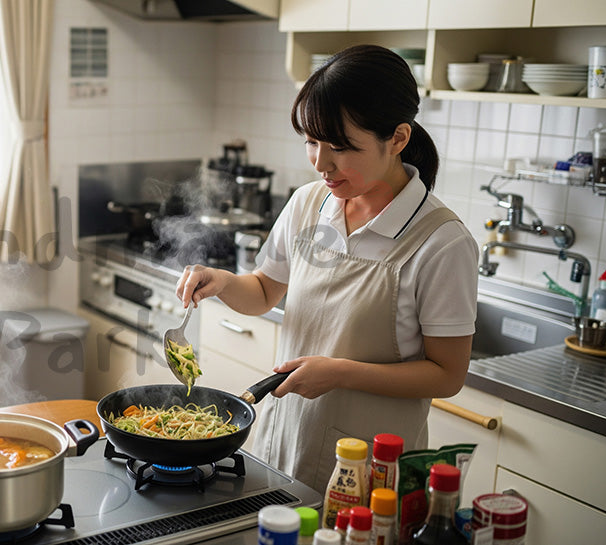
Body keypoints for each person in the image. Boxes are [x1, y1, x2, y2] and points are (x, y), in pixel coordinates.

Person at [176, 45, 478, 491]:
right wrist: (221, 282)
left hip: (372, 463)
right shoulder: (310, 203)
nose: (320, 163)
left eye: (340, 147)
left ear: (397, 138)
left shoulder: (442, 242)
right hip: (286, 442)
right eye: (311, 142)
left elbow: (448, 374)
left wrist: (339, 372)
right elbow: (263, 291)